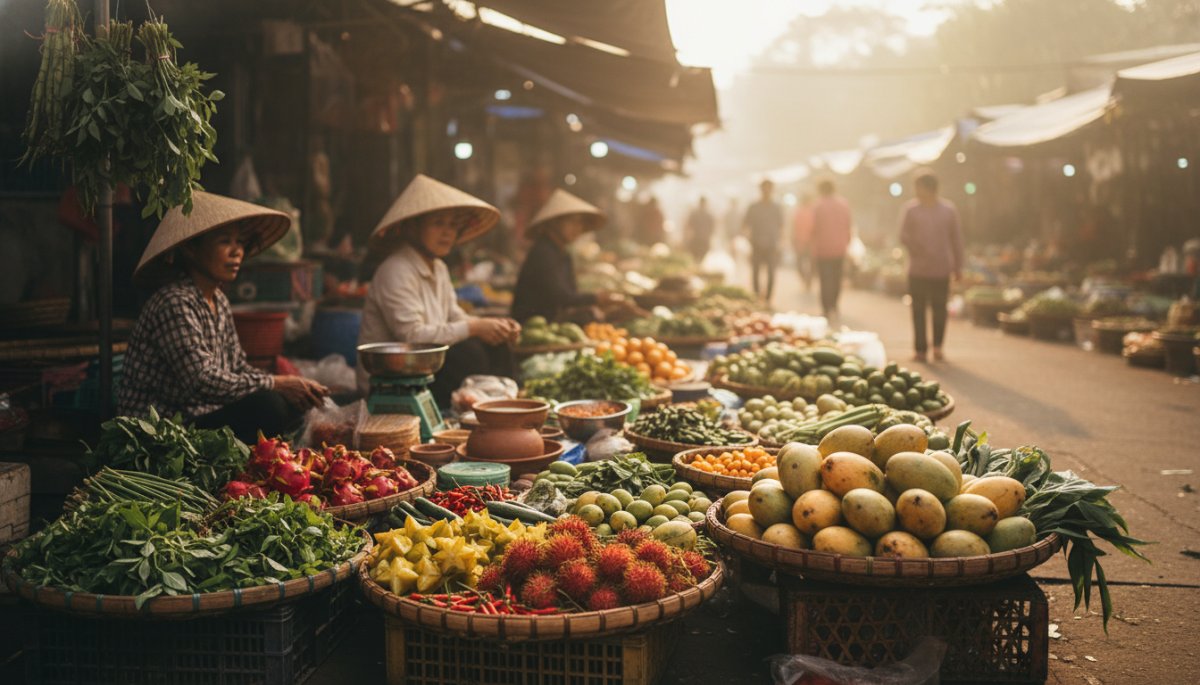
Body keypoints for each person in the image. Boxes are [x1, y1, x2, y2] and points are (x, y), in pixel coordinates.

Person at [118, 192, 329, 443]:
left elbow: (236, 368)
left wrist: (289, 386)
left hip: (201, 416)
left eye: (240, 242)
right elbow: (200, 381)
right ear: (191, 249)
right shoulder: (174, 302)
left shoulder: (218, 299)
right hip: (164, 429)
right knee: (269, 405)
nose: (236, 252)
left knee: (293, 402)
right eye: (224, 242)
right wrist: (275, 383)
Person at [356, 174, 520, 406]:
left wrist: (493, 327)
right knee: (467, 355)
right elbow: (413, 337)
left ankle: (504, 408)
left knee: (494, 344)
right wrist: (474, 327)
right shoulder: (396, 270)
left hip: (428, 367)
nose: (447, 233)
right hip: (394, 376)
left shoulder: (439, 267)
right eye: (438, 223)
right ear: (413, 227)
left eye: (452, 225)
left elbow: (454, 316)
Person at [511, 189, 627, 322]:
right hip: (533, 323)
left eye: (580, 223)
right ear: (555, 222)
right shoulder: (543, 252)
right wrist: (596, 298)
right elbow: (561, 297)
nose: (578, 228)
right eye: (572, 222)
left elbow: (571, 293)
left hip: (553, 318)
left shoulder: (563, 253)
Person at [900, 172, 964, 362]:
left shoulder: (948, 211)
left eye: (919, 187)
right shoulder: (910, 210)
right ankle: (920, 349)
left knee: (939, 309)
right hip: (917, 269)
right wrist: (916, 248)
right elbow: (903, 235)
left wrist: (958, 266)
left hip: (941, 268)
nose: (916, 192)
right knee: (918, 310)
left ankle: (937, 346)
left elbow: (957, 239)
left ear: (930, 188)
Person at [811, 179, 852, 320]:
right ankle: (834, 305)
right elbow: (848, 225)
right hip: (840, 248)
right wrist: (847, 242)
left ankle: (826, 307)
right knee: (836, 279)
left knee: (824, 279)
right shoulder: (843, 204)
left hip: (823, 248)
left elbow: (814, 228)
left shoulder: (818, 205)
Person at [742, 179, 784, 305]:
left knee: (771, 272)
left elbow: (781, 226)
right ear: (760, 190)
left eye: (769, 188)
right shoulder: (753, 207)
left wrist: (780, 242)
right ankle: (756, 296)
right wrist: (748, 239)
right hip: (756, 243)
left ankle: (768, 298)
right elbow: (745, 225)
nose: (766, 191)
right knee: (755, 271)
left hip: (772, 244)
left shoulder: (776, 207)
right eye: (764, 188)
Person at [792, 192, 816, 293]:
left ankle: (808, 280)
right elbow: (794, 227)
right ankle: (805, 279)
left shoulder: (813, 211)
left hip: (810, 242)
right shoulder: (799, 211)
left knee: (809, 264)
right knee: (801, 263)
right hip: (802, 241)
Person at [684, 196, 716, 263]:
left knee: (695, 258)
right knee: (702, 258)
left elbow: (688, 226)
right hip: (704, 240)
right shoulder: (709, 215)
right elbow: (713, 228)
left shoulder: (694, 213)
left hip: (696, 239)